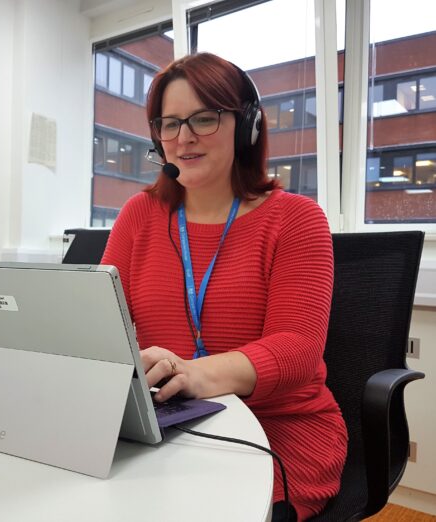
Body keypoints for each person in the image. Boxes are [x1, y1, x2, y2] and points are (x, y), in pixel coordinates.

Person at [100, 52, 348, 521]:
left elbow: (298, 349)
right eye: (169, 124)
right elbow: (97, 323)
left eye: (204, 118)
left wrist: (193, 375)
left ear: (247, 126)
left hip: (279, 429)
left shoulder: (296, 220)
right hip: (169, 422)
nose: (184, 137)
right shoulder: (140, 215)